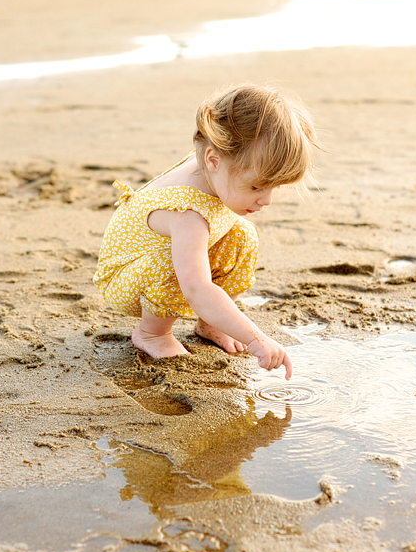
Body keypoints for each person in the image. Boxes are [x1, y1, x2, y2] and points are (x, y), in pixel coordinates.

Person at [93, 84, 320, 381]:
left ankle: (209, 324)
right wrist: (255, 338)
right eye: (256, 186)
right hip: (126, 278)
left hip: (163, 260)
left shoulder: (218, 164)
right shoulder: (187, 214)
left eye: (273, 187)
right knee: (173, 266)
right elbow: (197, 288)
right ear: (214, 159)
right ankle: (152, 333)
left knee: (243, 235)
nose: (267, 199)